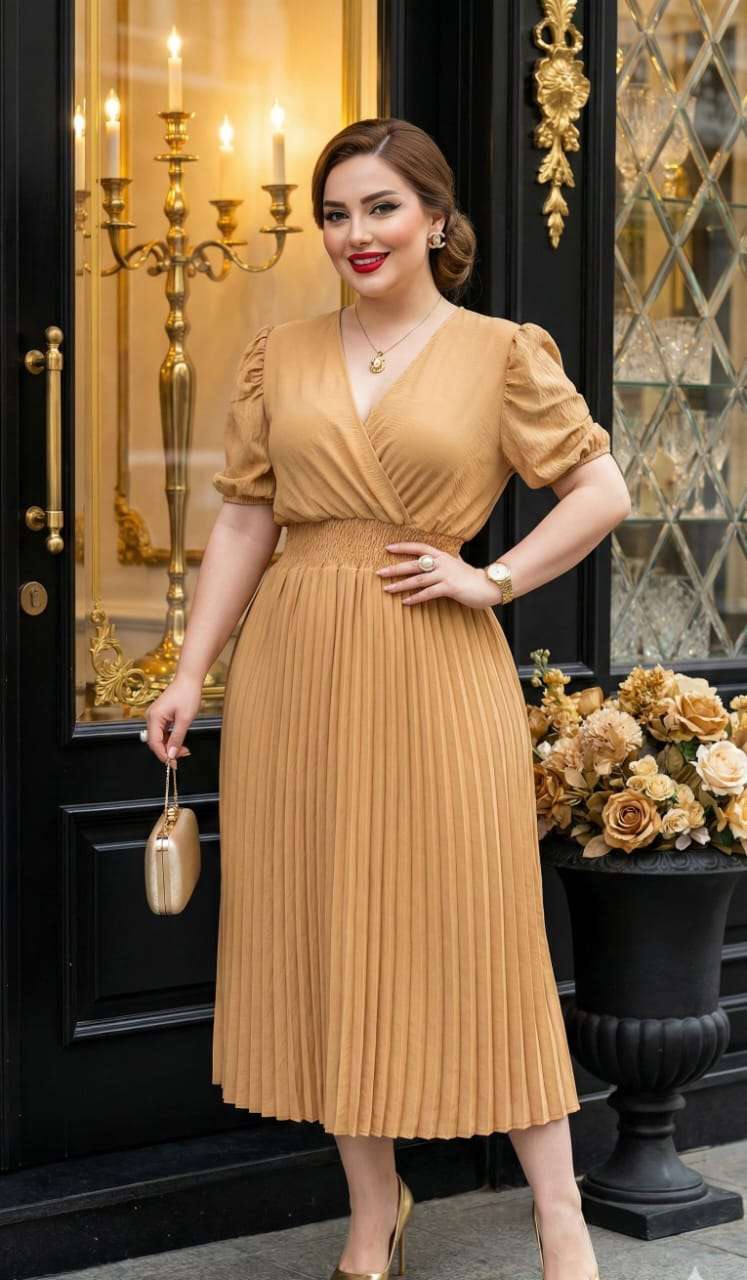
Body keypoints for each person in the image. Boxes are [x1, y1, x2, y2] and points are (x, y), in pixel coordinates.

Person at [145, 117, 630, 1280]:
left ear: (435, 219)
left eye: (380, 207)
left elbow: (601, 489)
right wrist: (190, 668)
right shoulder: (279, 354)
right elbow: (247, 520)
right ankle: (374, 1211)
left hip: (435, 662)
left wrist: (493, 577)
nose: (355, 233)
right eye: (335, 213)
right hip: (296, 668)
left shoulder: (501, 352)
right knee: (326, 929)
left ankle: (560, 1211)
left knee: (483, 928)